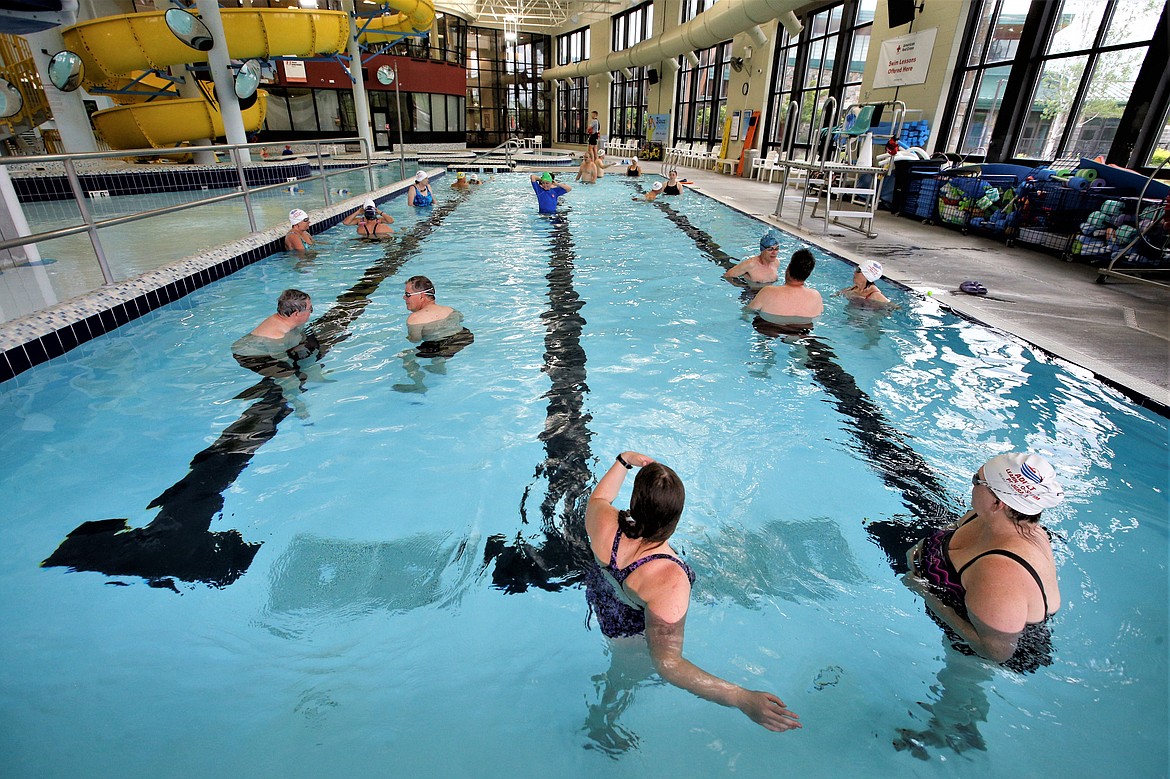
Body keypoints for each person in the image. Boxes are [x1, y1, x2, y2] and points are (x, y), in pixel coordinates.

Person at [584, 450, 801, 732]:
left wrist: (624, 461)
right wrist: (741, 698)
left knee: (619, 673)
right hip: (630, 637)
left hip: (601, 599)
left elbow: (599, 498)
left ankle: (604, 713)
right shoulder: (669, 580)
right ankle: (603, 723)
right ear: (675, 518)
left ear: (635, 502)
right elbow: (668, 665)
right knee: (622, 679)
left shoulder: (603, 520)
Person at [904, 453, 1064, 673]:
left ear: (997, 502)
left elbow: (995, 652)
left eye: (976, 480)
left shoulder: (1000, 574)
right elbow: (951, 530)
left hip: (980, 650)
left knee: (956, 694)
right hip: (981, 605)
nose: (972, 486)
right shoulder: (995, 519)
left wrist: (924, 592)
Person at [232, 289, 321, 415]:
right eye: (310, 309)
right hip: (249, 356)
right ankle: (297, 404)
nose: (311, 313)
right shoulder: (276, 336)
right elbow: (282, 361)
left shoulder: (287, 322)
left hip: (263, 347)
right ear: (296, 313)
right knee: (290, 377)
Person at [746, 248, 823, 335]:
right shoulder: (815, 295)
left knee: (760, 324)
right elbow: (818, 315)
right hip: (800, 330)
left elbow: (748, 311)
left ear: (788, 269)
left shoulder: (768, 291)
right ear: (808, 274)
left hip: (769, 327)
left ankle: (763, 344)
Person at [402, 275, 473, 360]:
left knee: (405, 356)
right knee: (436, 348)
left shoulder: (414, 319)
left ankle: (416, 372)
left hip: (441, 347)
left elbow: (415, 340)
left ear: (421, 296)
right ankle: (438, 363)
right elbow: (461, 318)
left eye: (407, 294)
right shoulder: (450, 310)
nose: (404, 297)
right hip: (465, 338)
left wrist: (408, 337)